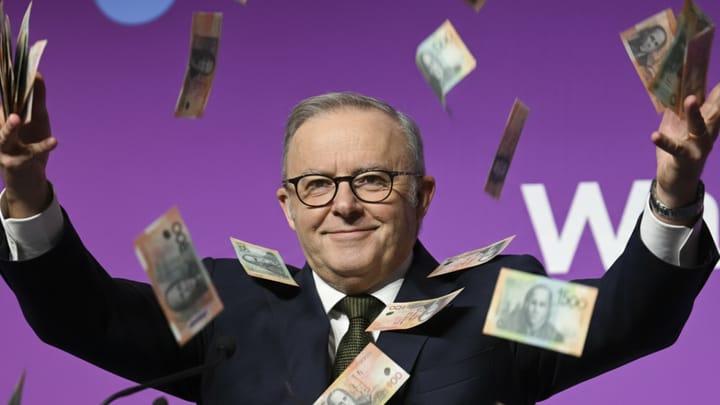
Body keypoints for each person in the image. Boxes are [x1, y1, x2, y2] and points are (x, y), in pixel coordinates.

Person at [0, 77, 718, 404]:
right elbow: (83, 315)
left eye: (373, 179)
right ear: (287, 207)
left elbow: (632, 317)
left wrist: (676, 190)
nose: (343, 205)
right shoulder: (223, 301)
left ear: (423, 196)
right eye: (316, 184)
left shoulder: (495, 300)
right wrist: (27, 194)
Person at [497, 284, 563, 343]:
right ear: (526, 304)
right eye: (533, 303)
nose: (536, 310)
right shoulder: (506, 327)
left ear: (548, 309)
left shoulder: (556, 338)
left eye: (542, 305)